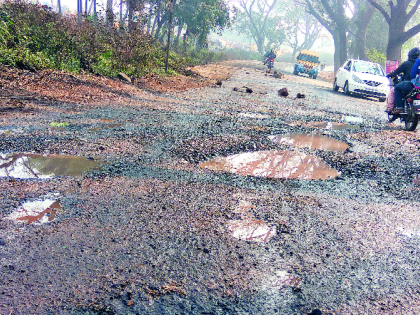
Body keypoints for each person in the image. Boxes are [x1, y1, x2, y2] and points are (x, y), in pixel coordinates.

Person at [385, 47, 419, 113]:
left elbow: (398, 71)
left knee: (396, 89)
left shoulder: (408, 63)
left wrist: (388, 75)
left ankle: (398, 108)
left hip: (411, 84)